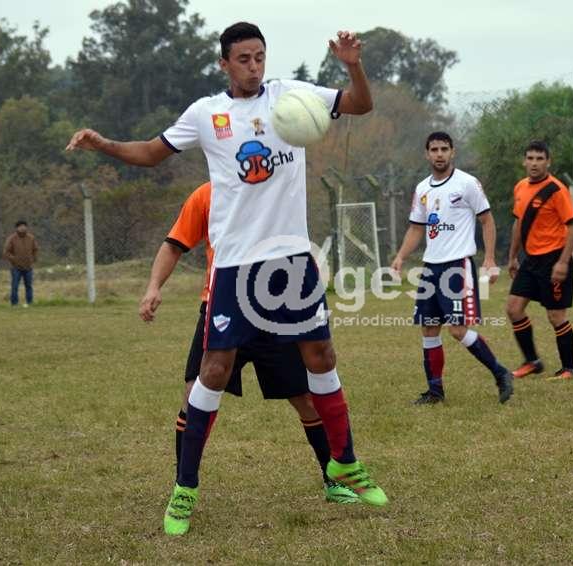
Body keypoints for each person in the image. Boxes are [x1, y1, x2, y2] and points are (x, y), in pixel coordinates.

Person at [66, 22, 386, 536]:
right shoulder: (206, 113)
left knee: (322, 357)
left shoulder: (291, 97)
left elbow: (360, 105)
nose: (254, 67)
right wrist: (103, 143)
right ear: (224, 63)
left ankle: (345, 462)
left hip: (292, 260)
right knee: (213, 371)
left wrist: (353, 66)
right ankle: (185, 488)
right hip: (236, 266)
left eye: (260, 57)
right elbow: (150, 152)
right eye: (243, 59)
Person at [139, 181, 358, 505]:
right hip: (222, 306)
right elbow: (174, 244)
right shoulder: (206, 194)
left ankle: (334, 479)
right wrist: (153, 286)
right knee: (193, 393)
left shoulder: (274, 187)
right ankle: (183, 487)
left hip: (275, 307)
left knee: (306, 398)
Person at [391, 131, 514, 405]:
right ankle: (435, 391)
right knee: (429, 328)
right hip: (430, 268)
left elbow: (487, 220)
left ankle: (500, 372)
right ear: (427, 154)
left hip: (457, 266)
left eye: (444, 149)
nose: (439, 154)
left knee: (457, 330)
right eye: (434, 149)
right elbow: (416, 228)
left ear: (452, 152)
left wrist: (490, 259)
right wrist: (400, 256)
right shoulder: (422, 189)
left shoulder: (467, 183)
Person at [505, 140, 573, 380]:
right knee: (514, 309)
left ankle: (569, 368)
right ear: (524, 161)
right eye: (530, 158)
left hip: (554, 259)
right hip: (530, 261)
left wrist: (563, 262)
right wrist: (513, 257)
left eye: (539, 159)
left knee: (555, 316)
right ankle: (532, 361)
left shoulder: (556, 190)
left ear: (548, 162)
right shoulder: (520, 187)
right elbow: (518, 224)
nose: (534, 163)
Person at [3, 220, 38, 307]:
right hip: (16, 267)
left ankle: (30, 302)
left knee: (29, 286)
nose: (22, 228)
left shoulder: (31, 238)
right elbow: (6, 252)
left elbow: (35, 249)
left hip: (28, 267)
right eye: (20, 226)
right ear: (17, 228)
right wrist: (14, 259)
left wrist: (33, 259)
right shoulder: (11, 238)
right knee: (15, 286)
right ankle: (14, 303)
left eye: (24, 226)